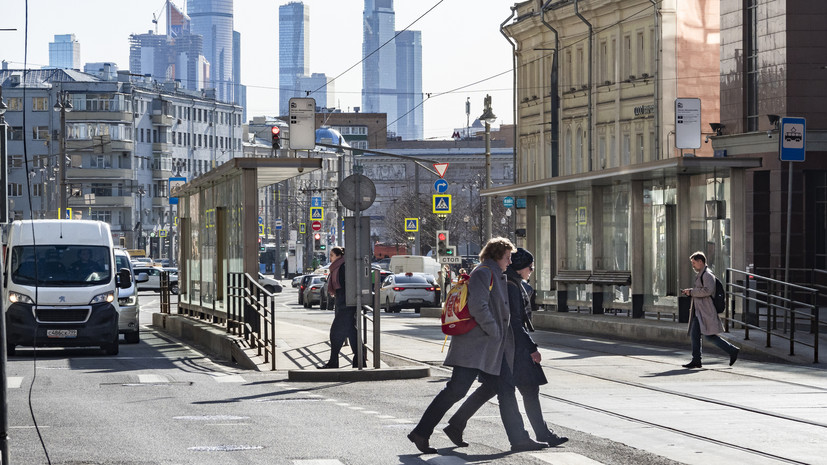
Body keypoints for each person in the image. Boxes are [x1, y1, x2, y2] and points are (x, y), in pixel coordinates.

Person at [408, 237, 547, 454]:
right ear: (498, 255)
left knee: (505, 390)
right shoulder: (484, 272)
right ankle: (421, 432)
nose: (510, 262)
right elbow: (478, 306)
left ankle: (519, 439)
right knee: (455, 390)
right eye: (508, 257)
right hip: (476, 347)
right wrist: (495, 331)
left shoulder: (495, 273)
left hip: (490, 347)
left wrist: (497, 336)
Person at [444, 248, 568, 447]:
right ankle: (537, 435)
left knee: (493, 388)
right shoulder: (510, 286)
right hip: (513, 347)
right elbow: (514, 322)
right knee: (527, 388)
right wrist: (531, 348)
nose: (531, 270)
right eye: (530, 267)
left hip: (508, 345)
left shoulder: (511, 282)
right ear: (520, 268)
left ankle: (456, 424)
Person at [681, 251, 740, 368]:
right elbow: (702, 290)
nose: (692, 265)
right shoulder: (702, 274)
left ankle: (732, 350)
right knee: (695, 334)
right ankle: (696, 359)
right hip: (699, 311)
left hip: (706, 311)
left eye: (694, 263)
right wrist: (690, 291)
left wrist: (692, 292)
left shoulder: (707, 275)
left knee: (709, 336)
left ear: (700, 262)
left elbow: (707, 291)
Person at [318, 247, 365, 369]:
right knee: (351, 332)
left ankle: (334, 362)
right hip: (342, 303)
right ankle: (359, 360)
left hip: (346, 304)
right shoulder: (337, 267)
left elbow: (347, 286)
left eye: (332, 255)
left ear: (339, 255)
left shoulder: (343, 267)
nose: (330, 257)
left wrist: (345, 301)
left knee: (335, 333)